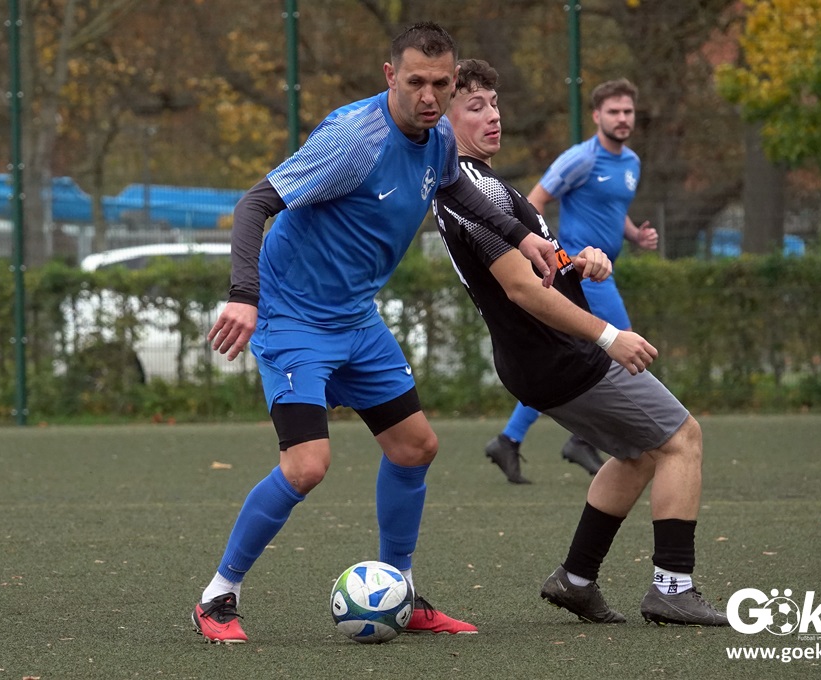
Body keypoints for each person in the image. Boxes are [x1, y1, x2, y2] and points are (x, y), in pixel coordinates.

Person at [193, 22, 559, 644]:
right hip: (293, 319)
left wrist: (522, 236)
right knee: (307, 466)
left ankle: (400, 593)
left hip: (356, 321)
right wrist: (244, 298)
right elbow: (255, 204)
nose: (428, 95)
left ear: (453, 82)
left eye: (440, 84)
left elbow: (455, 190)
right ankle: (218, 596)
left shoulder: (439, 138)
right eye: (415, 81)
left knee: (415, 447)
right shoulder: (354, 140)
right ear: (391, 76)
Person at [434, 58, 727, 626]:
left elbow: (535, 268)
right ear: (445, 122)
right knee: (681, 437)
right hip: (559, 353)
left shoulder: (481, 185)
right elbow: (520, 289)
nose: (493, 116)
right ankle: (673, 586)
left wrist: (576, 260)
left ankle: (575, 580)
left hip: (539, 358)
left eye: (495, 104)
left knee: (638, 454)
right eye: (475, 107)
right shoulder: (472, 188)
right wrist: (608, 335)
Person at [484, 77, 659, 484]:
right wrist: (550, 256)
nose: (622, 118)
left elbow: (614, 209)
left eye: (628, 111)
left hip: (603, 271)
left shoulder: (632, 162)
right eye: (613, 112)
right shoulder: (580, 159)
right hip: (579, 272)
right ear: (597, 116)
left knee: (573, 357)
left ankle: (512, 439)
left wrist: (635, 235)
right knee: (627, 347)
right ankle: (593, 438)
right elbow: (533, 202)